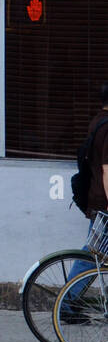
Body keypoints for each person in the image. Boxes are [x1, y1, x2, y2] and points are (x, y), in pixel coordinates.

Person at [61, 85, 108, 317]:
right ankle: (68, 304)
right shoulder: (107, 126)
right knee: (92, 255)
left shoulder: (97, 121)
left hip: (97, 201)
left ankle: (69, 303)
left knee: (93, 254)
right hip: (104, 204)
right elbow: (107, 170)